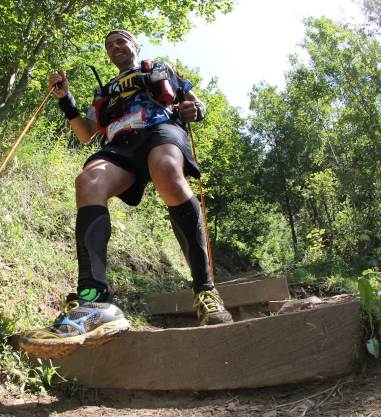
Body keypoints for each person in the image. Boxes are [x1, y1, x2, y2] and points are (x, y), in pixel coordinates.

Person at [19, 30, 233, 359]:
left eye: (121, 41)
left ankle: (205, 291)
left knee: (166, 171)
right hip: (122, 143)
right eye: (109, 45)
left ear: (135, 46)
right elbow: (86, 133)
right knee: (88, 182)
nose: (115, 47)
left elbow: (194, 102)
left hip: (161, 129)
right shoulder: (104, 91)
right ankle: (93, 302)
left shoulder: (161, 68)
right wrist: (65, 99)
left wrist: (197, 111)